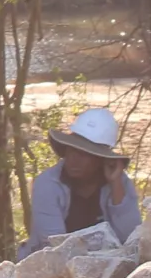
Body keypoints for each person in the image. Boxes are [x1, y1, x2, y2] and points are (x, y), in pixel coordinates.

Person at [21, 108, 142, 256]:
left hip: (108, 262)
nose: (74, 160)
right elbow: (54, 246)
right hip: (51, 265)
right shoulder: (47, 184)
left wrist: (116, 185)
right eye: (71, 151)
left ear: (100, 159)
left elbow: (132, 238)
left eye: (84, 155)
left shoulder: (119, 183)